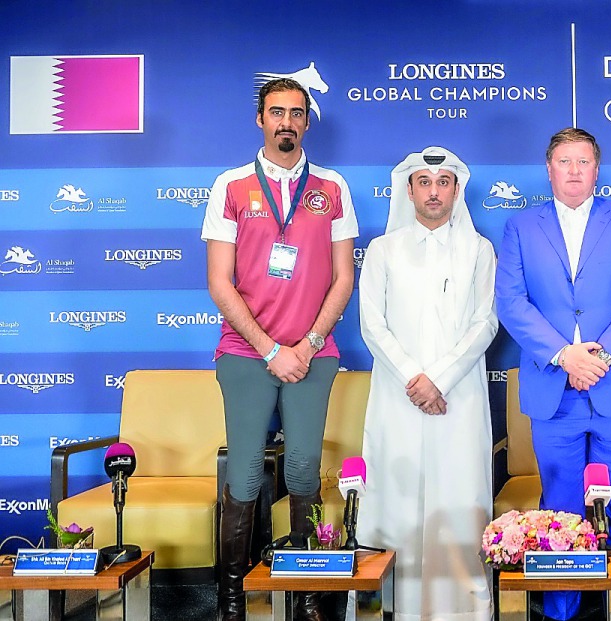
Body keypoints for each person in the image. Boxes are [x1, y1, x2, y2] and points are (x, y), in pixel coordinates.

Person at [202, 77, 358, 621]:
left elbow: (343, 279)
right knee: (244, 472)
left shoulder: (333, 185)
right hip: (247, 353)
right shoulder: (230, 184)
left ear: (307, 122)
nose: (286, 121)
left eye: (296, 113)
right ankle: (230, 596)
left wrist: (309, 343)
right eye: (276, 112)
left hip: (315, 353)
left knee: (302, 469)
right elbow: (220, 282)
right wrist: (271, 350)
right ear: (260, 120)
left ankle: (309, 594)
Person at [495, 127, 611, 621]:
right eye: (564, 161)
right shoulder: (521, 227)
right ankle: (561, 610)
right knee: (561, 508)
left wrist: (602, 355)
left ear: (597, 168)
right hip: (554, 387)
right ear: (548, 168)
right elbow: (511, 301)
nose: (573, 170)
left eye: (583, 161)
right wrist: (564, 356)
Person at [357, 146, 497, 621]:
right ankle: (390, 607)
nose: (434, 192)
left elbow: (486, 323)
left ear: (457, 190)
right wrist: (414, 379)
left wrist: (438, 379)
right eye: (424, 183)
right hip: (399, 397)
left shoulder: (479, 250)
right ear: (409, 189)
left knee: (459, 497)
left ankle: (462, 608)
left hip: (459, 396)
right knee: (394, 499)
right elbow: (372, 325)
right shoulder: (383, 250)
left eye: (443, 183)